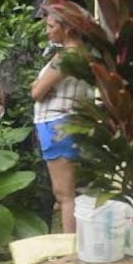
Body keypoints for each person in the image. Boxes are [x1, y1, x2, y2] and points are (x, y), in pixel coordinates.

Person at [30, 12, 90, 234]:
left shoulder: (68, 56)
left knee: (65, 194)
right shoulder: (72, 54)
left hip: (58, 124)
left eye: (51, 26)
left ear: (68, 28)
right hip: (60, 123)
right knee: (68, 193)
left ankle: (71, 248)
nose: (47, 31)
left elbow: (36, 91)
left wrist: (38, 86)